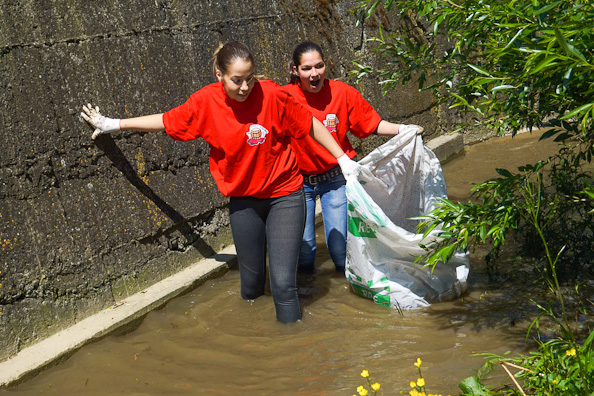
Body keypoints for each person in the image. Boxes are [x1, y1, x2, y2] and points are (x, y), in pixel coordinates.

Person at [81, 41, 360, 322]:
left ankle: (295, 351)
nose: (245, 87)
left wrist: (341, 158)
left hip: (284, 195)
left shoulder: (272, 95)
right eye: (236, 80)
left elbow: (309, 123)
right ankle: (256, 348)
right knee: (250, 288)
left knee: (284, 286)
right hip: (244, 200)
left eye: (250, 79)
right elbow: (167, 120)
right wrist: (114, 124)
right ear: (219, 75)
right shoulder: (205, 102)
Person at [283, 41, 423, 274]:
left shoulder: (342, 92)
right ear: (295, 71)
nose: (314, 74)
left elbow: (372, 124)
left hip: (336, 177)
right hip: (299, 182)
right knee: (304, 251)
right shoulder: (284, 97)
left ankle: (347, 288)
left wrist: (403, 129)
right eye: (306, 68)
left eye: (319, 66)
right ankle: (308, 296)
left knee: (340, 250)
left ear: (326, 65)